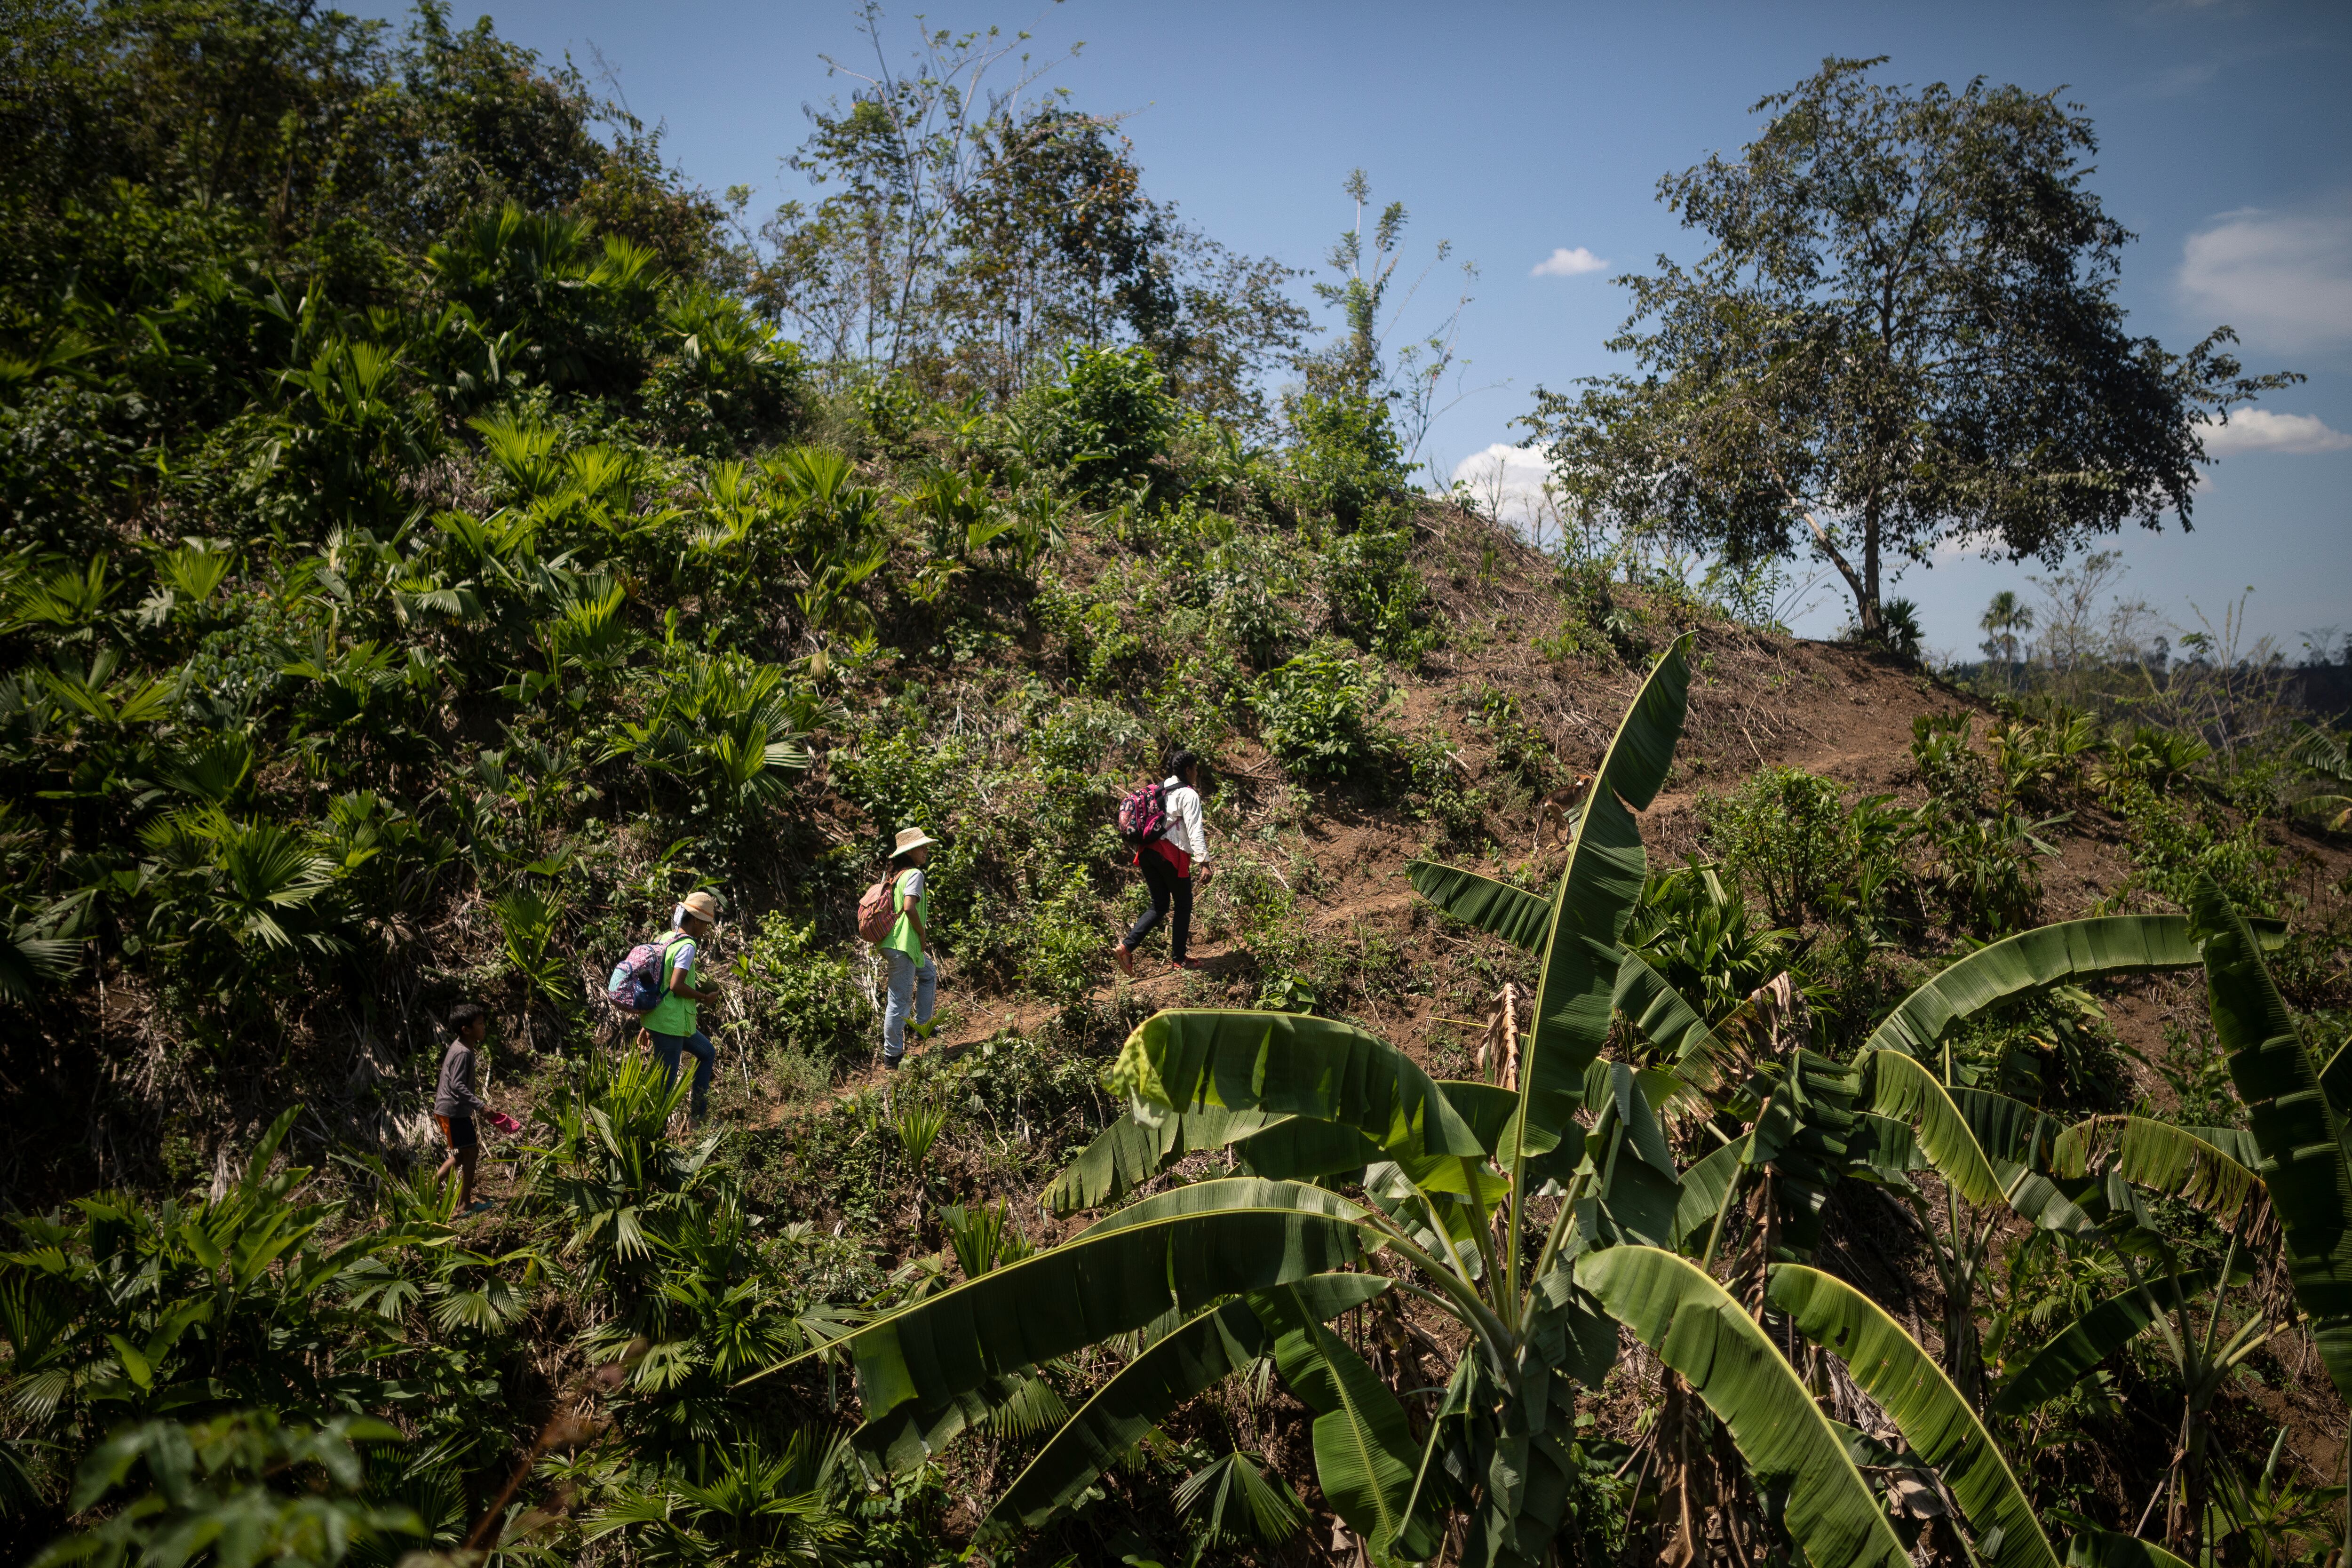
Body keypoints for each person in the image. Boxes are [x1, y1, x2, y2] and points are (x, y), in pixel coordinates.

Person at [1113, 750, 1212, 977]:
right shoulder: (1189, 795)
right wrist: (1204, 862)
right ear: (1188, 770)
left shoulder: (1162, 787)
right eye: (1196, 769)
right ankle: (1179, 959)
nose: (1197, 774)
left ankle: (1126, 948)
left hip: (1148, 851)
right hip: (1170, 853)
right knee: (1184, 903)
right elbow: (1196, 830)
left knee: (1159, 905)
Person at [642, 889, 724, 1125]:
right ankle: (652, 1136)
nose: (706, 929)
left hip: (667, 1020)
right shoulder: (688, 945)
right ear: (696, 921)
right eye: (706, 924)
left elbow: (656, 981)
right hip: (670, 1023)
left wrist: (647, 1024)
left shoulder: (664, 938)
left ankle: (698, 1117)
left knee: (707, 1052)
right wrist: (703, 997)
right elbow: (676, 985)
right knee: (666, 1085)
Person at [879, 827, 938, 1071]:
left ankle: (923, 1026)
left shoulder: (895, 876)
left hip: (895, 943)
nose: (926, 850)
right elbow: (909, 908)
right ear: (910, 851)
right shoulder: (914, 874)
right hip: (904, 944)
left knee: (929, 973)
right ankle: (892, 1056)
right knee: (899, 1001)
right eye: (922, 847)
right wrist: (922, 933)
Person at [433, 1003, 498, 1214]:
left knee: (465, 1153)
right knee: (471, 1152)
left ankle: (427, 1192)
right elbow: (457, 1085)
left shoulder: (462, 1047)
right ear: (466, 1030)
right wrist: (482, 1107)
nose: (484, 1027)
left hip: (449, 1110)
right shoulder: (463, 1053)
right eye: (480, 1024)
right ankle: (463, 1205)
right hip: (453, 1112)